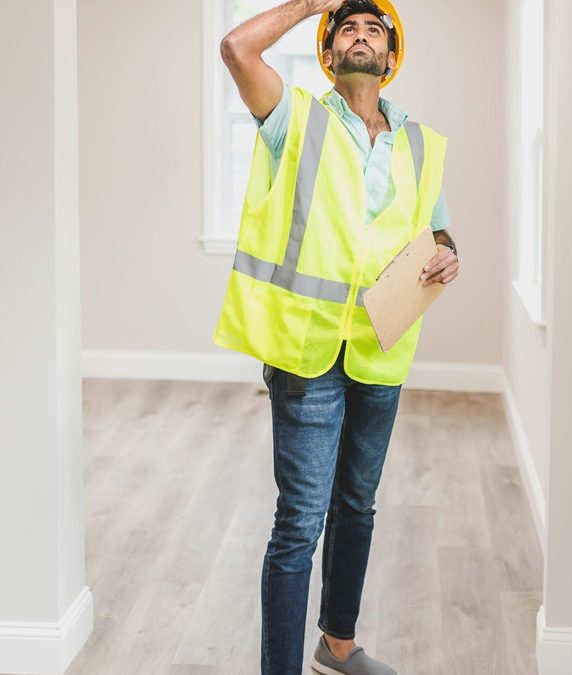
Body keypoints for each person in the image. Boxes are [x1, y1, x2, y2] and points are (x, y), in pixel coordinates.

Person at [214, 1, 459, 672]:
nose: (359, 34)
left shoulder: (421, 143)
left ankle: (338, 644)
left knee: (357, 504)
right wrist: (309, 6)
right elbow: (237, 49)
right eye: (345, 28)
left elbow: (435, 230)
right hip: (308, 349)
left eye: (372, 28)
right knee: (299, 522)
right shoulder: (295, 118)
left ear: (390, 56)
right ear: (328, 54)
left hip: (383, 347)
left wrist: (449, 253)